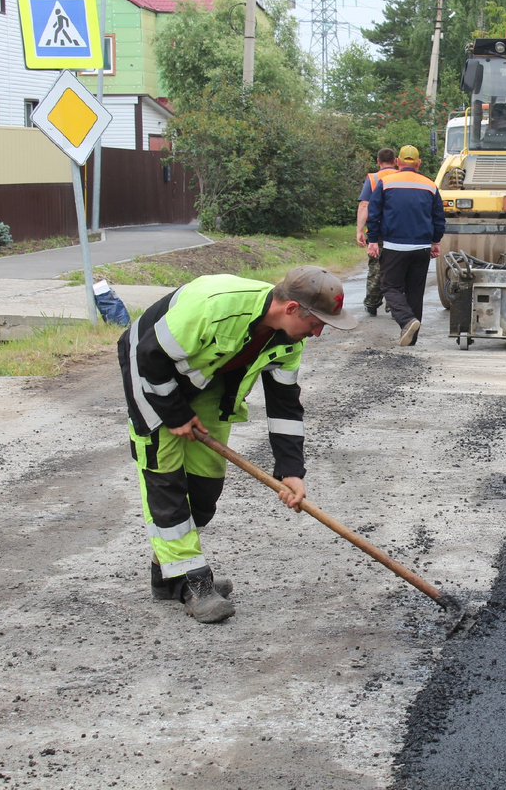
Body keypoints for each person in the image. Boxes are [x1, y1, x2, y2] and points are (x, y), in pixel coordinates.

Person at [117, 266, 358, 623]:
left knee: (204, 490)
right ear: (291, 308)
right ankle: (193, 583)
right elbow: (150, 355)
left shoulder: (289, 339)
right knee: (166, 483)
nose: (318, 333)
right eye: (316, 323)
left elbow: (285, 404)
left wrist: (291, 471)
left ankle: (166, 576)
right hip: (152, 375)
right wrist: (174, 413)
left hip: (209, 383)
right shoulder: (214, 307)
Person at [366, 144, 445, 346]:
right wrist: (436, 241)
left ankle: (407, 320)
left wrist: (373, 240)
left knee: (389, 286)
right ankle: (410, 339)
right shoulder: (430, 185)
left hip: (394, 246)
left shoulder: (385, 182)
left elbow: (374, 214)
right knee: (415, 292)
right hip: (421, 248)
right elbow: (438, 218)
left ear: (398, 162)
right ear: (418, 163)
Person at [356, 148, 399, 316]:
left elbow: (364, 205)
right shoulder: (401, 178)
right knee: (396, 267)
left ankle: (372, 303)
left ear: (378, 161)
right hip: (398, 231)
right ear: (395, 161)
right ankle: (393, 301)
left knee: (376, 267)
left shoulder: (373, 179)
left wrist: (360, 230)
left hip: (377, 231)